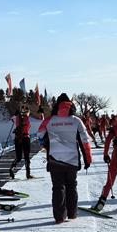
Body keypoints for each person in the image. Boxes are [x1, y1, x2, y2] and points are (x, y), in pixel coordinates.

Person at [38, 93, 92, 224]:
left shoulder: (49, 120)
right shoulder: (76, 121)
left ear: (56, 105)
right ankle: (72, 213)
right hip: (72, 159)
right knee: (71, 186)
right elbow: (85, 141)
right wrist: (88, 159)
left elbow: (40, 136)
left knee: (58, 187)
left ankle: (59, 217)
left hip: (55, 159)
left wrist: (47, 144)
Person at [9, 106, 35, 179]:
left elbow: (12, 119)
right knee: (26, 157)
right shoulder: (27, 119)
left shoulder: (17, 118)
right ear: (27, 112)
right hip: (26, 138)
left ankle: (12, 168)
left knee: (18, 157)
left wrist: (16, 115)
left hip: (18, 139)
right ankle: (28, 174)